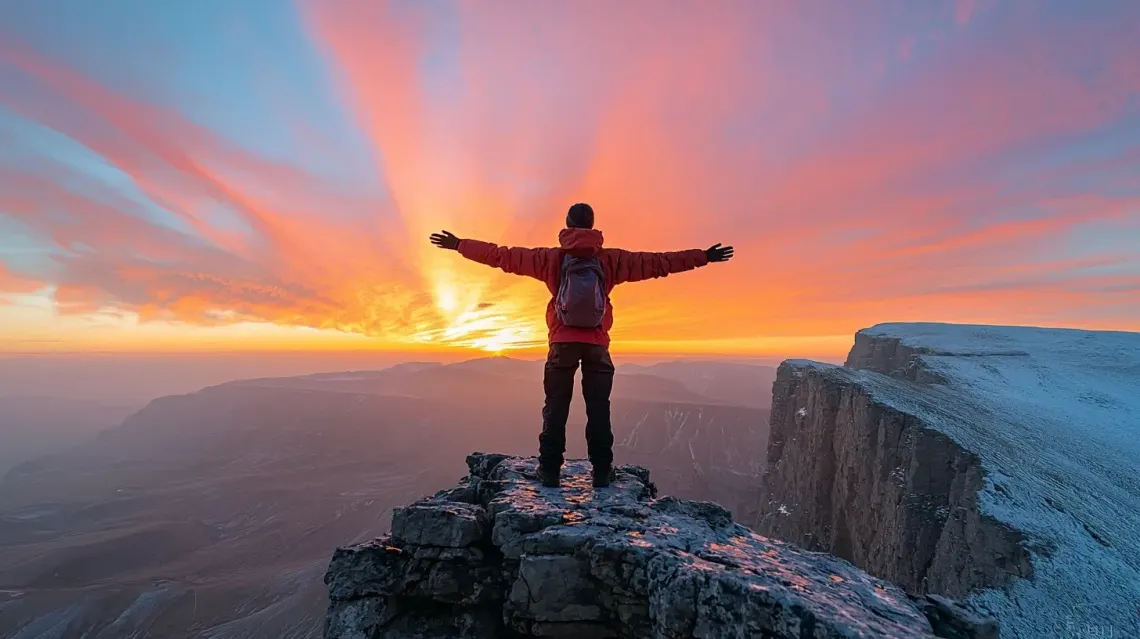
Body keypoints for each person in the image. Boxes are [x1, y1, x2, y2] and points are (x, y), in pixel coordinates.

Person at [429, 203, 733, 488]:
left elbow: (502, 256)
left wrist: (459, 244)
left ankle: (549, 470)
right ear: (592, 226)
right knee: (599, 408)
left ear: (567, 226)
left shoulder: (551, 259)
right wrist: (703, 256)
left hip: (561, 343)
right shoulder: (611, 259)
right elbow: (659, 263)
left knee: (556, 407)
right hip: (597, 344)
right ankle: (602, 472)